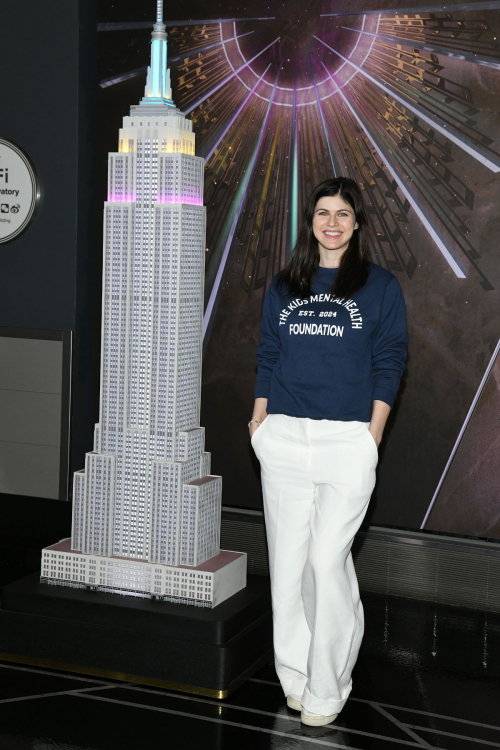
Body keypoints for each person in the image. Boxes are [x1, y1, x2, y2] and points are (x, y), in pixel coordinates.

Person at [249, 177, 408, 727]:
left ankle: (330, 680)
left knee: (325, 561)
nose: (333, 222)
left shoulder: (380, 286)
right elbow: (268, 350)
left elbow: (391, 359)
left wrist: (372, 436)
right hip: (286, 437)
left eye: (344, 213)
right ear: (311, 221)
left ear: (357, 222)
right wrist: (259, 422)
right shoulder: (285, 283)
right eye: (323, 212)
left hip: (347, 442)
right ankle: (296, 675)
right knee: (289, 569)